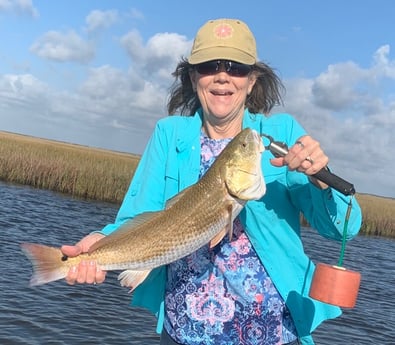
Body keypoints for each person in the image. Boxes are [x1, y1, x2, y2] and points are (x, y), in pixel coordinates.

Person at [61, 18, 362, 345]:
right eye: (209, 66)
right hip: (183, 332)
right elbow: (137, 217)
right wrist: (97, 242)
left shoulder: (284, 135)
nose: (222, 75)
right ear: (193, 77)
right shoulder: (169, 134)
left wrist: (321, 179)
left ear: (252, 80)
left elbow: (344, 229)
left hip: (275, 333)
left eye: (235, 67)